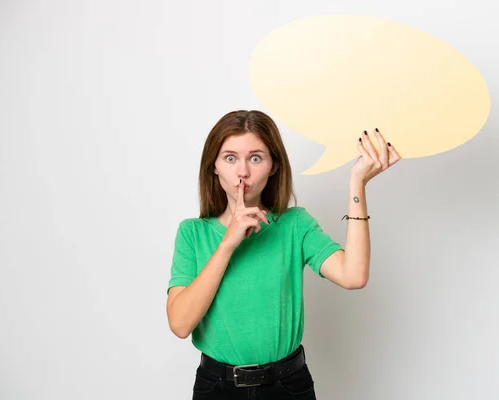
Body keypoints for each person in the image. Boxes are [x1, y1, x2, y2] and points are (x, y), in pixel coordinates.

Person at [166, 110, 401, 399]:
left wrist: (357, 184)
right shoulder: (192, 233)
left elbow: (353, 275)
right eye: (230, 158)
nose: (242, 172)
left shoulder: (294, 225)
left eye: (255, 158)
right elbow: (179, 324)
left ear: (273, 165)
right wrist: (228, 243)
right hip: (217, 387)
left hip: (286, 386)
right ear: (213, 166)